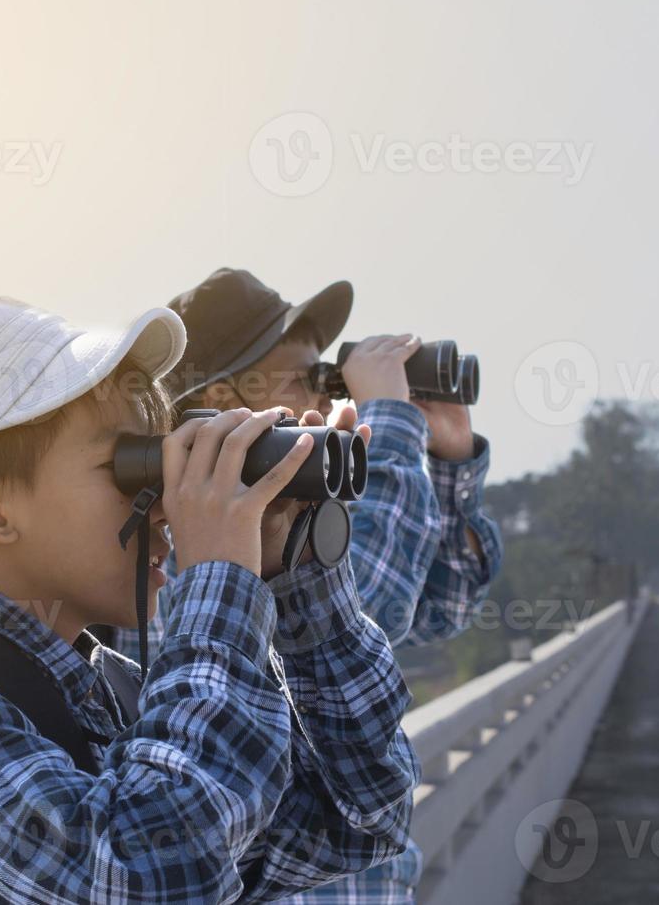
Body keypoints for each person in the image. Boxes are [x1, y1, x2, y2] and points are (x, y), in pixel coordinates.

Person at [0, 296, 420, 903]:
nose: (165, 504)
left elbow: (356, 820)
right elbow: (136, 880)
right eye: (129, 467)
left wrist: (295, 575)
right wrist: (219, 581)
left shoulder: (115, 692)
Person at [101, 269, 504, 903]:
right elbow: (373, 599)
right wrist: (390, 423)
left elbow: (440, 609)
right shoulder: (188, 540)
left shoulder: (279, 518)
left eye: (327, 377)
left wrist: (447, 456)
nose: (322, 397)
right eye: (304, 378)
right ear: (227, 397)